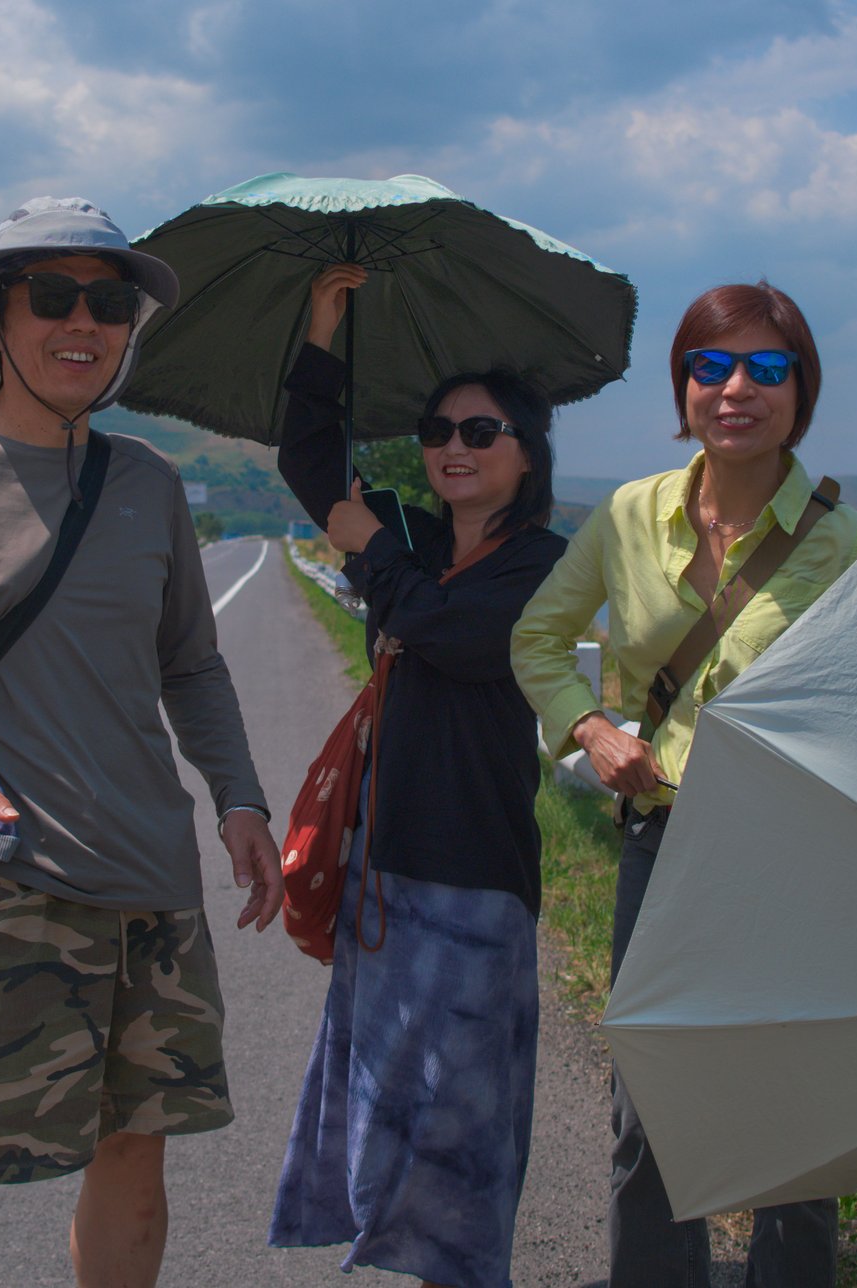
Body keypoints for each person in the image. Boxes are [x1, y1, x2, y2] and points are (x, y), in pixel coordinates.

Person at [0, 196, 283, 1288]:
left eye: (110, 300)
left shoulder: (147, 483)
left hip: (153, 883)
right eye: (52, 295)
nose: (83, 322)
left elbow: (191, 663)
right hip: (5, 881)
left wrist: (240, 799)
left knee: (134, 1153)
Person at [511, 281, 857, 1287]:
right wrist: (588, 726)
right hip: (664, 844)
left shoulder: (851, 547)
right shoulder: (630, 516)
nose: (734, 389)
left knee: (795, 1126)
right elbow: (537, 640)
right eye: (710, 366)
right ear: (681, 386)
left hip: (798, 855)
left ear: (801, 392)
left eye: (767, 368)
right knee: (652, 1113)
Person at [267, 263, 568, 1288]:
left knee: (460, 1131)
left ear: (527, 456)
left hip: (476, 882)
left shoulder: (543, 568)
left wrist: (364, 551)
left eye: (480, 432)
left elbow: (447, 634)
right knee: (390, 1110)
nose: (451, 447)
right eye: (439, 431)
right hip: (383, 873)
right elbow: (310, 462)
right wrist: (320, 334)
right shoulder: (418, 540)